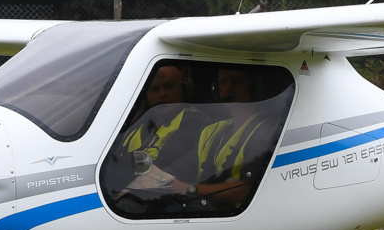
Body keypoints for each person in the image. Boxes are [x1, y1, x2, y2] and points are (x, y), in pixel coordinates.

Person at [192, 68, 278, 208]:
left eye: (237, 81)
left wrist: (192, 190)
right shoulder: (211, 131)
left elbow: (246, 190)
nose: (229, 88)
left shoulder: (264, 130)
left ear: (254, 86)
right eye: (223, 83)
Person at [117, 63, 202, 192]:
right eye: (155, 89)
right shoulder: (139, 123)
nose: (162, 94)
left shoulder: (194, 121)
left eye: (169, 87)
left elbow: (165, 163)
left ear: (184, 88)